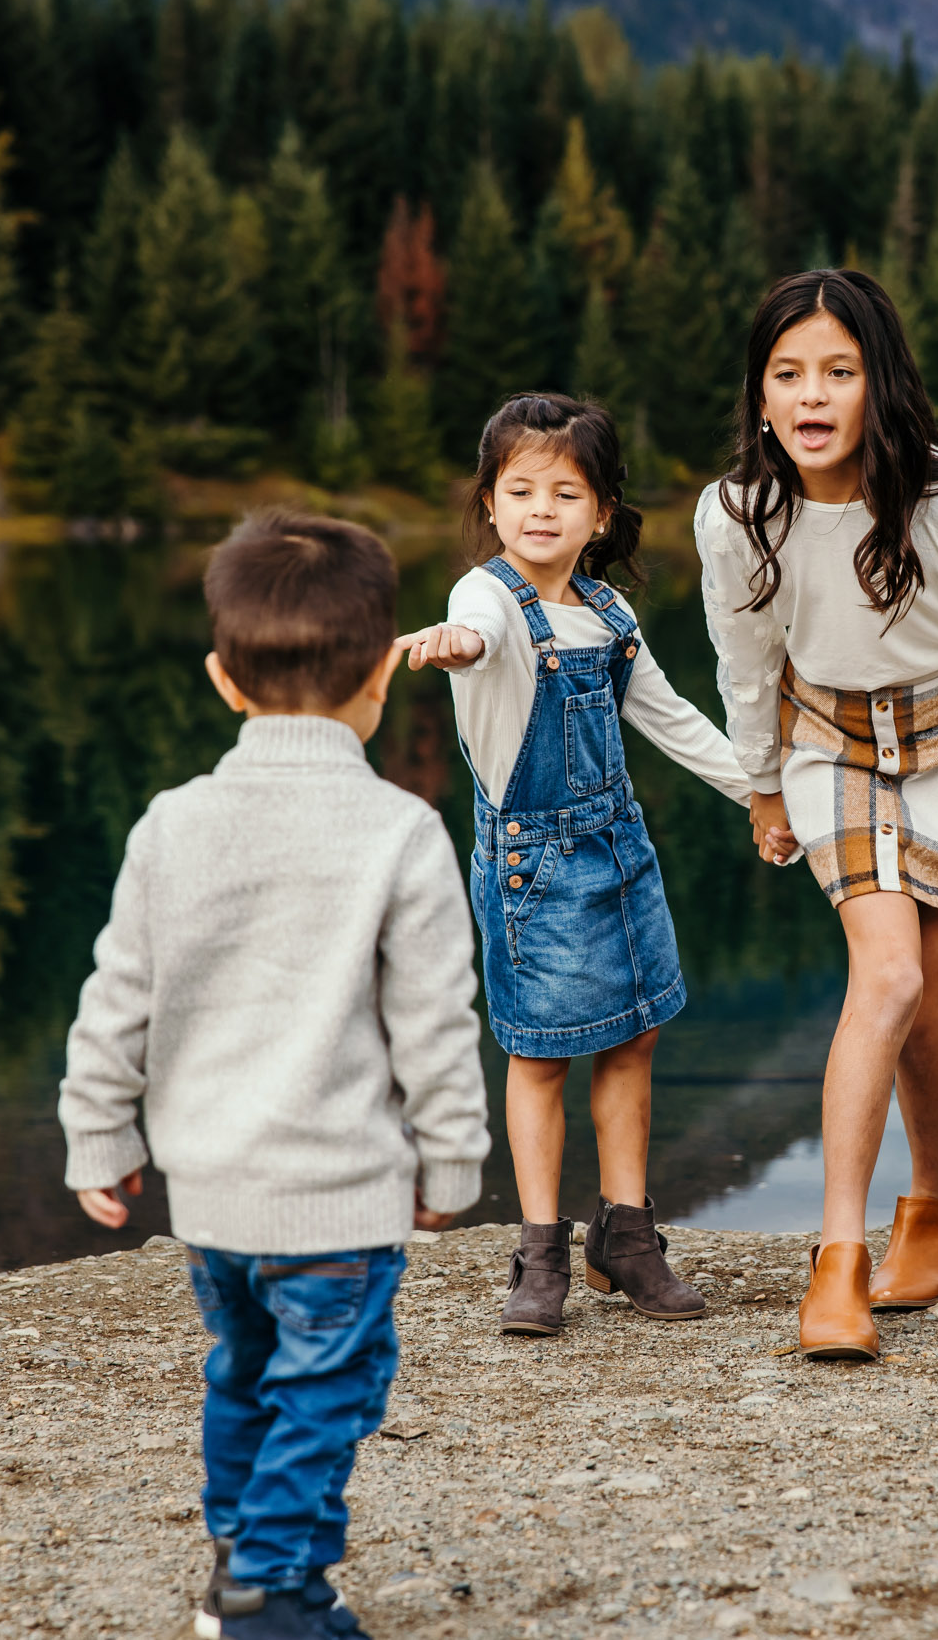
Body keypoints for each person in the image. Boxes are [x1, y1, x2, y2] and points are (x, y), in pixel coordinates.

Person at [58, 508, 491, 1640]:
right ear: (381, 679)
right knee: (328, 1389)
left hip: (214, 1197)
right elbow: (436, 1024)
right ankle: (263, 1593)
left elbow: (117, 999)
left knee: (243, 1372)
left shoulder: (172, 823)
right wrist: (451, 1161)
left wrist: (99, 1138)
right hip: (339, 1199)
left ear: (221, 678)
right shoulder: (401, 832)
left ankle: (249, 1567)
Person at [696, 269, 938, 1362]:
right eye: (787, 374)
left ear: (881, 384)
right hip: (830, 750)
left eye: (838, 373)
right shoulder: (736, 515)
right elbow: (745, 659)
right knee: (890, 976)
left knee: (927, 1005)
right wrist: (761, 781)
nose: (811, 396)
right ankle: (837, 1260)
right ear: (759, 394)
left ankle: (932, 1212)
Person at [401, 392, 783, 1339]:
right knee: (538, 1055)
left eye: (565, 492)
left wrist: (764, 796)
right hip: (532, 868)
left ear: (602, 514)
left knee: (635, 1038)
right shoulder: (484, 599)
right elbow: (474, 636)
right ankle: (539, 1250)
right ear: (489, 503)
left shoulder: (609, 614)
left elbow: (672, 718)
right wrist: (456, 647)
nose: (541, 509)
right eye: (519, 489)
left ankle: (628, 1234)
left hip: (622, 854)